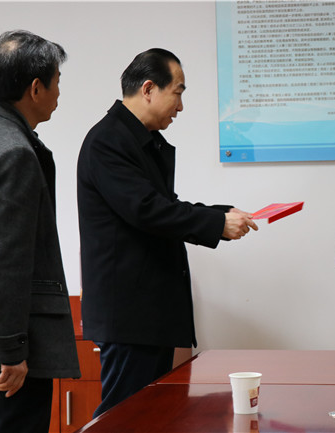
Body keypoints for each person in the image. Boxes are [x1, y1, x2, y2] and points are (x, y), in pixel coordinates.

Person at [77, 48, 258, 417]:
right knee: (123, 418)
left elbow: (164, 206)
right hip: (129, 315)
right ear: (148, 89)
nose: (180, 106)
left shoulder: (140, 141)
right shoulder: (108, 141)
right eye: (178, 92)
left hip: (148, 312)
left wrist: (221, 215)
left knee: (150, 415)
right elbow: (146, 210)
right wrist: (217, 224)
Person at [0, 30, 81, 433]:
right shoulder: (14, 153)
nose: (59, 93)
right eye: (57, 81)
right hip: (4, 356)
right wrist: (11, 350)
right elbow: (5, 262)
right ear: (36, 88)